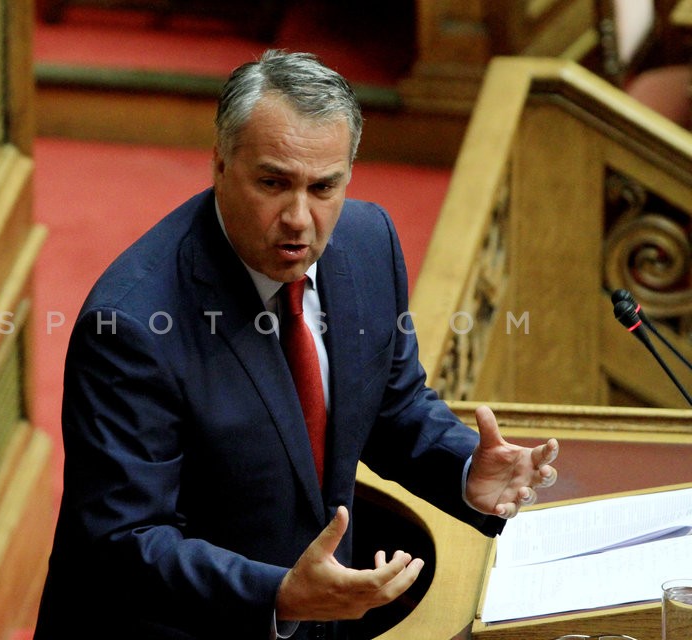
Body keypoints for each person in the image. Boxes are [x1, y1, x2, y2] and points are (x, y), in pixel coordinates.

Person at [33, 49, 559, 639]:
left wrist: (463, 466)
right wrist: (278, 594)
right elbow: (124, 541)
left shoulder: (366, 243)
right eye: (273, 183)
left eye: (324, 187)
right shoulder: (132, 326)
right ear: (220, 164)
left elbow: (391, 403)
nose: (300, 218)